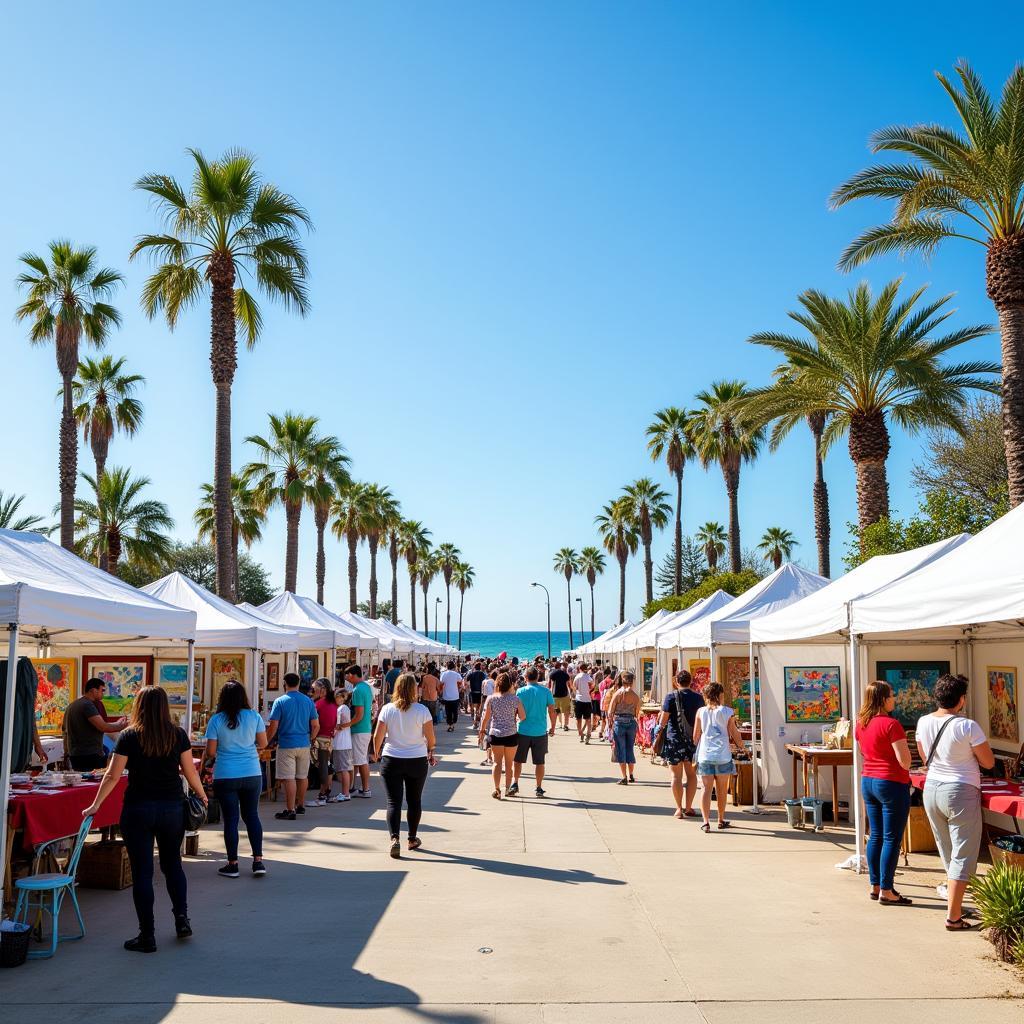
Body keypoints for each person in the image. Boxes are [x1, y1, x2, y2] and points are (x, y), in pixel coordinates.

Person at [83, 686, 206, 952]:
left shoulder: (129, 736)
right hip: (172, 807)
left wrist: (95, 805)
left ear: (139, 705)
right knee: (173, 865)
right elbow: (189, 771)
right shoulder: (177, 734)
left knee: (143, 873)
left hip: (138, 808)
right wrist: (202, 794)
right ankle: (181, 919)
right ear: (164, 707)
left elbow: (112, 776)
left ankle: (147, 935)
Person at [916, 673, 995, 931]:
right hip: (960, 789)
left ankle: (956, 906)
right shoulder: (967, 726)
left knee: (948, 850)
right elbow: (988, 762)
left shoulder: (923, 721)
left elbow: (923, 754)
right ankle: (953, 916)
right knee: (964, 853)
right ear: (961, 699)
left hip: (932, 789)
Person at [855, 681, 913, 905]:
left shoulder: (861, 724)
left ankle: (875, 884)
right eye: (892, 695)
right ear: (882, 699)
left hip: (868, 780)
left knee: (876, 834)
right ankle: (887, 890)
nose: (894, 698)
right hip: (890, 782)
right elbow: (905, 761)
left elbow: (864, 751)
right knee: (891, 838)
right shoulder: (892, 724)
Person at [204, 680, 267, 879]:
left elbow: (211, 751)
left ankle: (233, 864)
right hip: (251, 772)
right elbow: (263, 743)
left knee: (230, 820)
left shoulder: (216, 720)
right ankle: (258, 861)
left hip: (226, 774)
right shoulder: (254, 716)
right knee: (252, 816)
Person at [371, 673, 437, 858]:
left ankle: (394, 838)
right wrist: (431, 749)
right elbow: (430, 736)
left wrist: (376, 752)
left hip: (391, 758)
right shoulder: (422, 710)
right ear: (414, 689)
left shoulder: (387, 709)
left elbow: (378, 734)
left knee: (393, 801)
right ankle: (412, 838)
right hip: (416, 759)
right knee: (414, 800)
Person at [266, 672, 319, 821]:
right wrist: (310, 739)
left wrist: (265, 742)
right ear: (299, 682)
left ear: (284, 683)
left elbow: (273, 726)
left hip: (286, 743)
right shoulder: (308, 701)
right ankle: (300, 805)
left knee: (288, 778)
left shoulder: (280, 701)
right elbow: (316, 725)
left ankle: (290, 809)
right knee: (302, 776)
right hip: (304, 743)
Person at [692, 681, 743, 832]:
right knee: (721, 790)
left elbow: (695, 737)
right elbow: (734, 732)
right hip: (723, 756)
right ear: (720, 695)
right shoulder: (727, 711)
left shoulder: (700, 712)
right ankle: (721, 819)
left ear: (706, 696)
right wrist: (742, 746)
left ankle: (706, 822)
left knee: (706, 789)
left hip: (705, 756)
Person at [657, 670, 705, 818]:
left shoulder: (670, 697)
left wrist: (657, 735)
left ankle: (679, 808)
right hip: (692, 741)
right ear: (691, 682)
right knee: (691, 776)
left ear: (677, 682)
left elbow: (663, 721)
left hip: (674, 741)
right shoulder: (698, 698)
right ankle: (689, 807)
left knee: (676, 776)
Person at [63, 677, 126, 770]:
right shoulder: (87, 705)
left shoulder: (73, 705)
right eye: (102, 690)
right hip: (89, 755)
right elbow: (103, 727)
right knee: (94, 783)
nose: (103, 694)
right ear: (93, 690)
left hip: (76, 754)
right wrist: (123, 725)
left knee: (84, 783)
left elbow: (65, 732)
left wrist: (117, 723)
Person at [511, 666, 556, 797]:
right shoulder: (546, 691)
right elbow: (552, 711)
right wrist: (552, 726)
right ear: (538, 677)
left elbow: (514, 711)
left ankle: (515, 782)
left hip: (523, 730)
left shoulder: (520, 691)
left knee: (517, 760)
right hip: (540, 732)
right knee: (540, 762)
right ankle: (538, 787)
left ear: (525, 678)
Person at [479, 671, 523, 799]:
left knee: (497, 763)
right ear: (510, 685)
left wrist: (481, 731)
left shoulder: (491, 698)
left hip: (496, 734)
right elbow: (523, 716)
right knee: (509, 764)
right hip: (511, 733)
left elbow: (486, 718)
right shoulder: (515, 699)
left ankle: (497, 789)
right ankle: (508, 788)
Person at [607, 672, 642, 784]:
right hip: (631, 722)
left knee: (621, 749)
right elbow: (637, 713)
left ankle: (624, 777)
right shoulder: (635, 696)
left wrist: (610, 724)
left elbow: (610, 711)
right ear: (632, 682)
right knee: (630, 749)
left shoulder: (618, 693)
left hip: (619, 723)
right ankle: (631, 775)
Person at [346, 664, 375, 799]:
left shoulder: (358, 690)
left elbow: (359, 715)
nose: (346, 678)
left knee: (361, 760)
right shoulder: (366, 687)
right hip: (364, 728)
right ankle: (354, 787)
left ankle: (366, 789)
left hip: (359, 729)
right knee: (358, 760)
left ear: (352, 675)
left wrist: (346, 725)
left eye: (347, 675)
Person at [311, 678, 338, 806]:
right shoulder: (332, 704)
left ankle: (323, 795)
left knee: (322, 767)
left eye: (314, 689)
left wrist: (312, 737)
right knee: (326, 766)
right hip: (329, 738)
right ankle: (325, 793)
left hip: (320, 738)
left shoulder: (319, 704)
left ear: (322, 690)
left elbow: (315, 724)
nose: (313, 692)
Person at [329, 687, 354, 801]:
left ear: (342, 697)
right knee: (343, 769)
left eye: (337, 697)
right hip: (344, 743)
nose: (335, 699)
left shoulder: (342, 708)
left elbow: (338, 724)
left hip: (341, 743)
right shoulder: (345, 708)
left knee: (343, 769)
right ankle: (345, 792)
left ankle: (345, 793)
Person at [572, 663, 595, 743]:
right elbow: (592, 686)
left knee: (578, 719)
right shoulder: (589, 677)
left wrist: (577, 693)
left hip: (579, 699)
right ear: (586, 668)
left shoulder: (577, 677)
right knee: (588, 719)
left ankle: (581, 733)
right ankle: (588, 735)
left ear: (579, 668)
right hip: (587, 700)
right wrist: (589, 691)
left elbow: (574, 687)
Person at [547, 661, 571, 733]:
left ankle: (553, 726)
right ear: (560, 666)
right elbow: (568, 683)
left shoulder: (552, 673)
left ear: (554, 666)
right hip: (564, 694)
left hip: (555, 695)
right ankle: (565, 725)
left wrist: (549, 692)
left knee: (555, 711)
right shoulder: (565, 673)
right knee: (566, 711)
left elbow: (550, 683)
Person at [439, 660, 463, 732]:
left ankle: (450, 725)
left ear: (447, 666)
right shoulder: (456, 674)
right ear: (454, 666)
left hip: (446, 696)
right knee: (455, 712)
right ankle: (452, 725)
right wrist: (459, 687)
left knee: (448, 712)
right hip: (455, 696)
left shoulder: (443, 674)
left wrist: (441, 691)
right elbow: (461, 681)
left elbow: (441, 683)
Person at [466, 661, 486, 726]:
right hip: (480, 693)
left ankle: (475, 721)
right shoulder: (482, 674)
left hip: (473, 692)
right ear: (480, 667)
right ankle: (478, 720)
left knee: (475, 708)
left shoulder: (472, 673)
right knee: (479, 707)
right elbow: (485, 682)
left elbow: (466, 679)